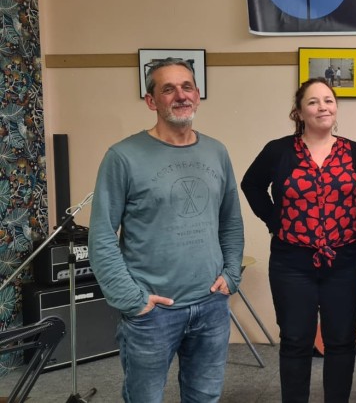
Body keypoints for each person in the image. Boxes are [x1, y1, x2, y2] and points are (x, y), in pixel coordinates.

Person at [88, 57, 244, 403]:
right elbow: (101, 236)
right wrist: (133, 300)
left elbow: (230, 221)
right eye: (168, 89)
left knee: (205, 397)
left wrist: (232, 275)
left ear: (197, 95)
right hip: (152, 313)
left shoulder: (216, 152)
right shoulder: (123, 157)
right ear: (151, 101)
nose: (180, 95)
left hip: (211, 305)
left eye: (187, 87)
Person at [240, 77, 356, 403]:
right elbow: (251, 185)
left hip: (344, 262)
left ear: (336, 107)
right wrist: (274, 220)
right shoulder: (278, 151)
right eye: (313, 102)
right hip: (291, 263)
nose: (322, 107)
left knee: (341, 341)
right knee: (296, 340)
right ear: (298, 112)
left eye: (328, 100)